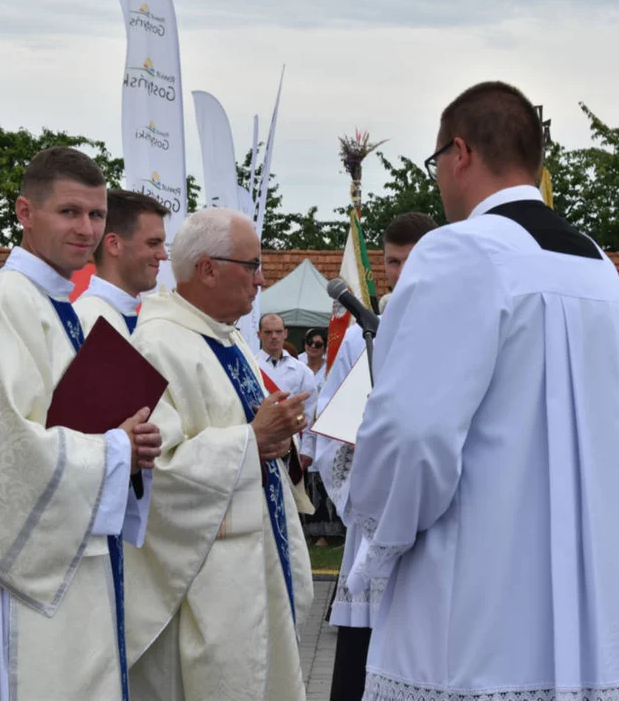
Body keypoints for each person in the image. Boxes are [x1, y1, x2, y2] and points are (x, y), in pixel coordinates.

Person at [343, 81, 619, 700]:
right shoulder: (600, 268)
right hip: (601, 603)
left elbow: (411, 434)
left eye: (436, 161)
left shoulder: (459, 251)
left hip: (477, 610)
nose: (438, 178)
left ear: (458, 153)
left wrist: (378, 539)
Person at [0, 147, 162, 701]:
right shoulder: (1, 302)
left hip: (78, 550)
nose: (86, 228)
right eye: (69, 212)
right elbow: (5, 450)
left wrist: (130, 441)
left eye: (96, 214)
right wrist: (114, 449)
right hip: (26, 569)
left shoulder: (61, 305)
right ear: (25, 212)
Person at [125, 207, 314, 701]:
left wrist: (280, 429)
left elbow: (256, 432)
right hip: (209, 580)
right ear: (207, 268)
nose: (261, 278)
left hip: (255, 561)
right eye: (251, 265)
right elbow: (154, 470)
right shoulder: (155, 344)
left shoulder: (228, 339)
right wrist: (251, 441)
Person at [314, 211, 438, 701]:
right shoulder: (362, 339)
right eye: (393, 261)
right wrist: (366, 502)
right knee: (360, 663)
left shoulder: (460, 328)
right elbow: (333, 434)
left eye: (414, 260)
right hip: (375, 517)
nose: (402, 273)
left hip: (438, 517)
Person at [74, 189, 170, 338]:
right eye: (153, 243)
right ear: (114, 245)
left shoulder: (131, 317)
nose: (164, 255)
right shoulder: (89, 320)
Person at [256, 313, 319, 468]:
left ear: (285, 334)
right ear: (259, 335)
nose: (274, 337)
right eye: (268, 332)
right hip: (261, 443)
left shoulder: (302, 371)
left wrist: (308, 449)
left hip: (294, 444)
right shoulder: (251, 366)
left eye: (278, 332)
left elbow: (310, 411)